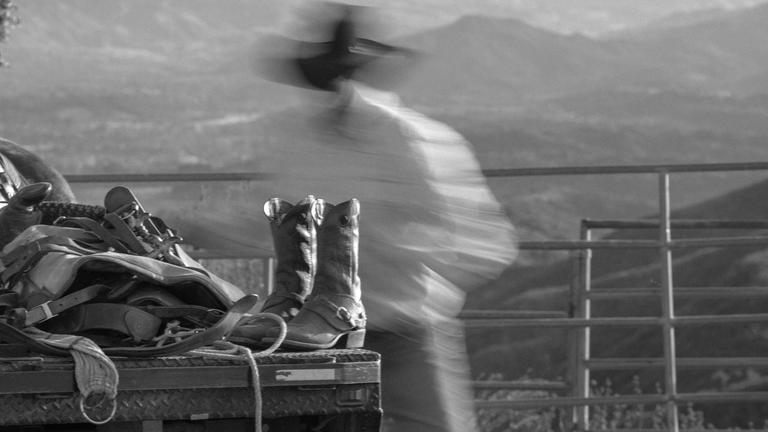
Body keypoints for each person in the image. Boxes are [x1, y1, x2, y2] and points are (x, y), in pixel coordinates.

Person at [198, 4, 518, 431]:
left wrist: (377, 242)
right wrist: (200, 225)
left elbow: (485, 243)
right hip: (318, 336)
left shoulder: (413, 140)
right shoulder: (298, 138)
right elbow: (277, 220)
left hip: (402, 327)